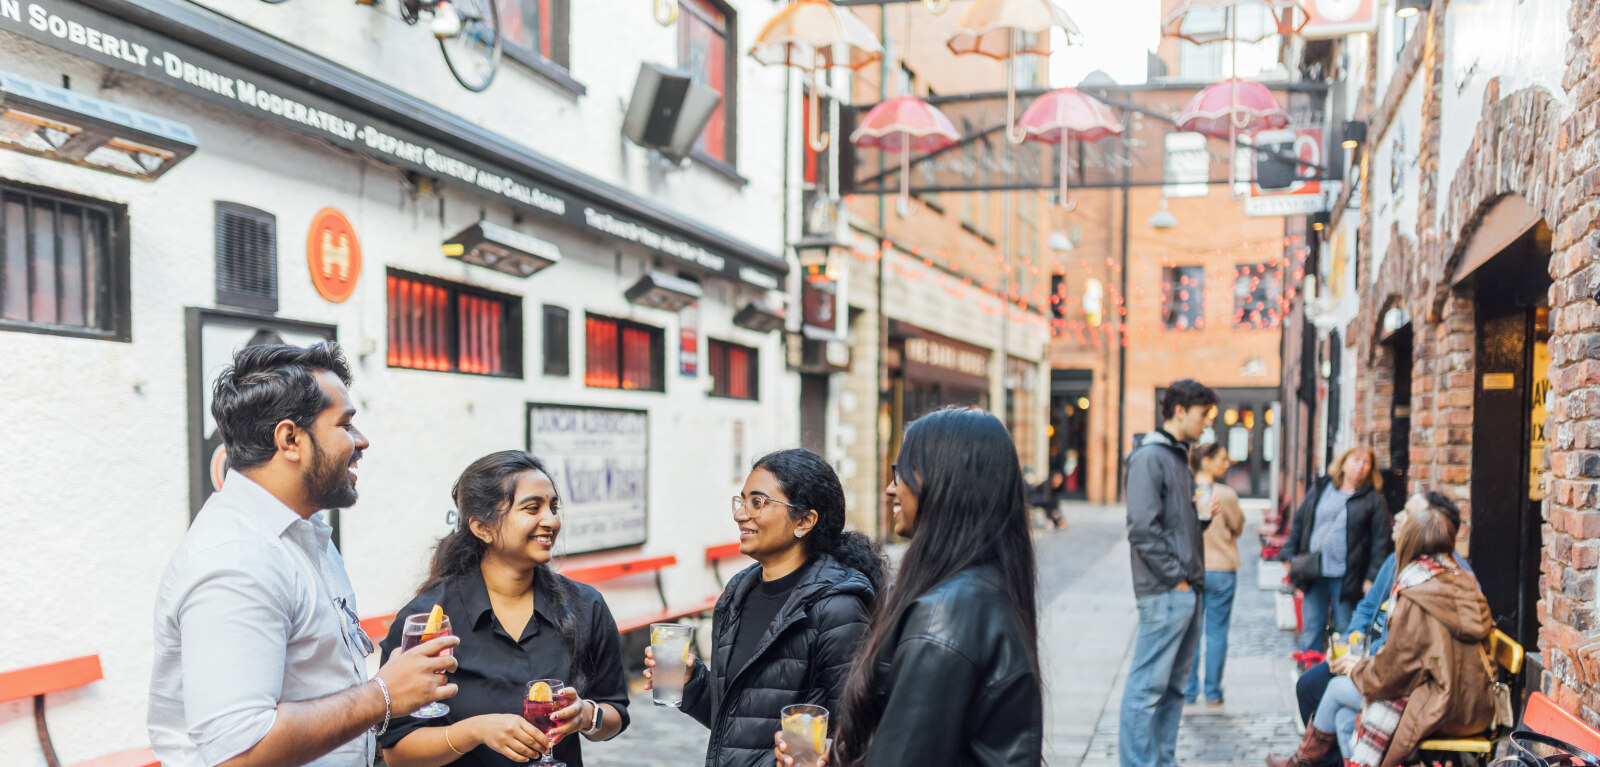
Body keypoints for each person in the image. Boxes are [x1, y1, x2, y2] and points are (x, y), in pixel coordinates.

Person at [149, 343, 459, 767]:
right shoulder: (237, 559)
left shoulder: (301, 535)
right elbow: (240, 751)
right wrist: (384, 694)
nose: (362, 440)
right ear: (290, 439)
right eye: (345, 425)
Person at [778, 407, 1041, 767]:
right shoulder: (981, 587)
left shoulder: (945, 613)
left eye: (899, 472)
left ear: (946, 480)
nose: (890, 488)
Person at [380, 450, 629, 767]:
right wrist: (474, 731)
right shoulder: (429, 620)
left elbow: (615, 711)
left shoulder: (585, 605)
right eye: (532, 508)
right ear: (482, 528)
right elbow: (397, 752)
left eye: (554, 507)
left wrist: (586, 716)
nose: (551, 520)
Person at [645, 448, 884, 767]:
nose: (740, 513)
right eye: (741, 500)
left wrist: (825, 757)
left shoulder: (837, 608)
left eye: (758, 502)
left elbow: (859, 734)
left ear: (804, 520)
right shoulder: (736, 595)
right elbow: (736, 727)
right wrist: (691, 682)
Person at [1267, 493, 1492, 767]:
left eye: (1406, 518)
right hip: (1468, 700)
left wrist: (1358, 667)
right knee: (1340, 714)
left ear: (1412, 540)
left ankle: (1300, 762)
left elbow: (1395, 672)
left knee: (1337, 690)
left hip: (1437, 703)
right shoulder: (1459, 579)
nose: (1396, 520)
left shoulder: (1417, 591)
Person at [1117, 380, 1219, 767]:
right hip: (1166, 590)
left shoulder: (1179, 457)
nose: (1207, 424)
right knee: (1146, 689)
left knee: (1175, 689)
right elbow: (1142, 527)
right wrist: (1176, 577)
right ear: (1180, 411)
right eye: (1203, 414)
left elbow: (1173, 526)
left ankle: (1163, 762)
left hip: (1186, 588)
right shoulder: (1149, 457)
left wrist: (1201, 520)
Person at [1278, 445, 1392, 653]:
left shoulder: (1373, 500)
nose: (1361, 467)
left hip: (1347, 576)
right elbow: (1301, 520)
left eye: (1367, 463)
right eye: (1356, 460)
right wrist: (1287, 554)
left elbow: (1381, 541)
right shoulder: (1322, 488)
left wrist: (1371, 577)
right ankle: (1308, 672)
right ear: (1343, 463)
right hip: (1314, 570)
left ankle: (1341, 674)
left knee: (1346, 628)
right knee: (1312, 626)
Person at [1184, 442, 1243, 706]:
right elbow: (1237, 525)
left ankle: (1188, 690)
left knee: (1192, 633)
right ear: (1206, 461)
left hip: (1193, 568)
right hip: (1221, 568)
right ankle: (1212, 692)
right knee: (1217, 632)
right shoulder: (1225, 494)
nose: (1227, 464)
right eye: (1222, 459)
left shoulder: (1185, 490)